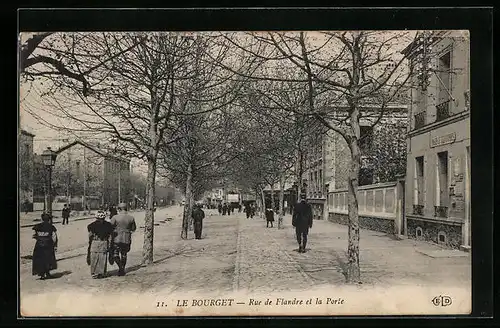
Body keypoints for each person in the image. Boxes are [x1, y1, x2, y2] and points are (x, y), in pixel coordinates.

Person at [110, 203, 137, 276]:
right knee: (124, 254)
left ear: (119, 209)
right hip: (126, 238)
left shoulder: (115, 217)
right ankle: (122, 268)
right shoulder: (131, 218)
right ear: (126, 209)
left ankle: (120, 268)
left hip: (116, 238)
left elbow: (110, 227)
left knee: (115, 254)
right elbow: (133, 228)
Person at [87, 211, 114, 279]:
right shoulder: (108, 225)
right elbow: (110, 237)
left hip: (95, 242)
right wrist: (110, 245)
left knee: (94, 257)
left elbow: (90, 236)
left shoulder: (91, 225)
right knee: (102, 257)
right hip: (103, 242)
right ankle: (101, 273)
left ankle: (94, 273)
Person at [32, 212, 58, 280]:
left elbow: (34, 235)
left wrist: (39, 237)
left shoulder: (38, 226)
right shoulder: (51, 227)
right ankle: (48, 273)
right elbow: (54, 237)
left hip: (39, 245)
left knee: (40, 259)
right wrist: (55, 246)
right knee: (48, 259)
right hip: (48, 245)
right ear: (49, 220)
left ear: (42, 219)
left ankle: (42, 275)